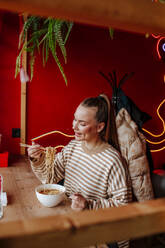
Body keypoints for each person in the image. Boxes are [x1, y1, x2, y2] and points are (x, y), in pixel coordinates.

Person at [28, 94, 132, 248]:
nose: (74, 126)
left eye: (82, 123)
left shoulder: (113, 160)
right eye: (75, 119)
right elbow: (50, 177)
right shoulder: (72, 148)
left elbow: (124, 207)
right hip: (73, 221)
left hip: (103, 233)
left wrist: (88, 204)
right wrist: (37, 159)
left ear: (100, 127)